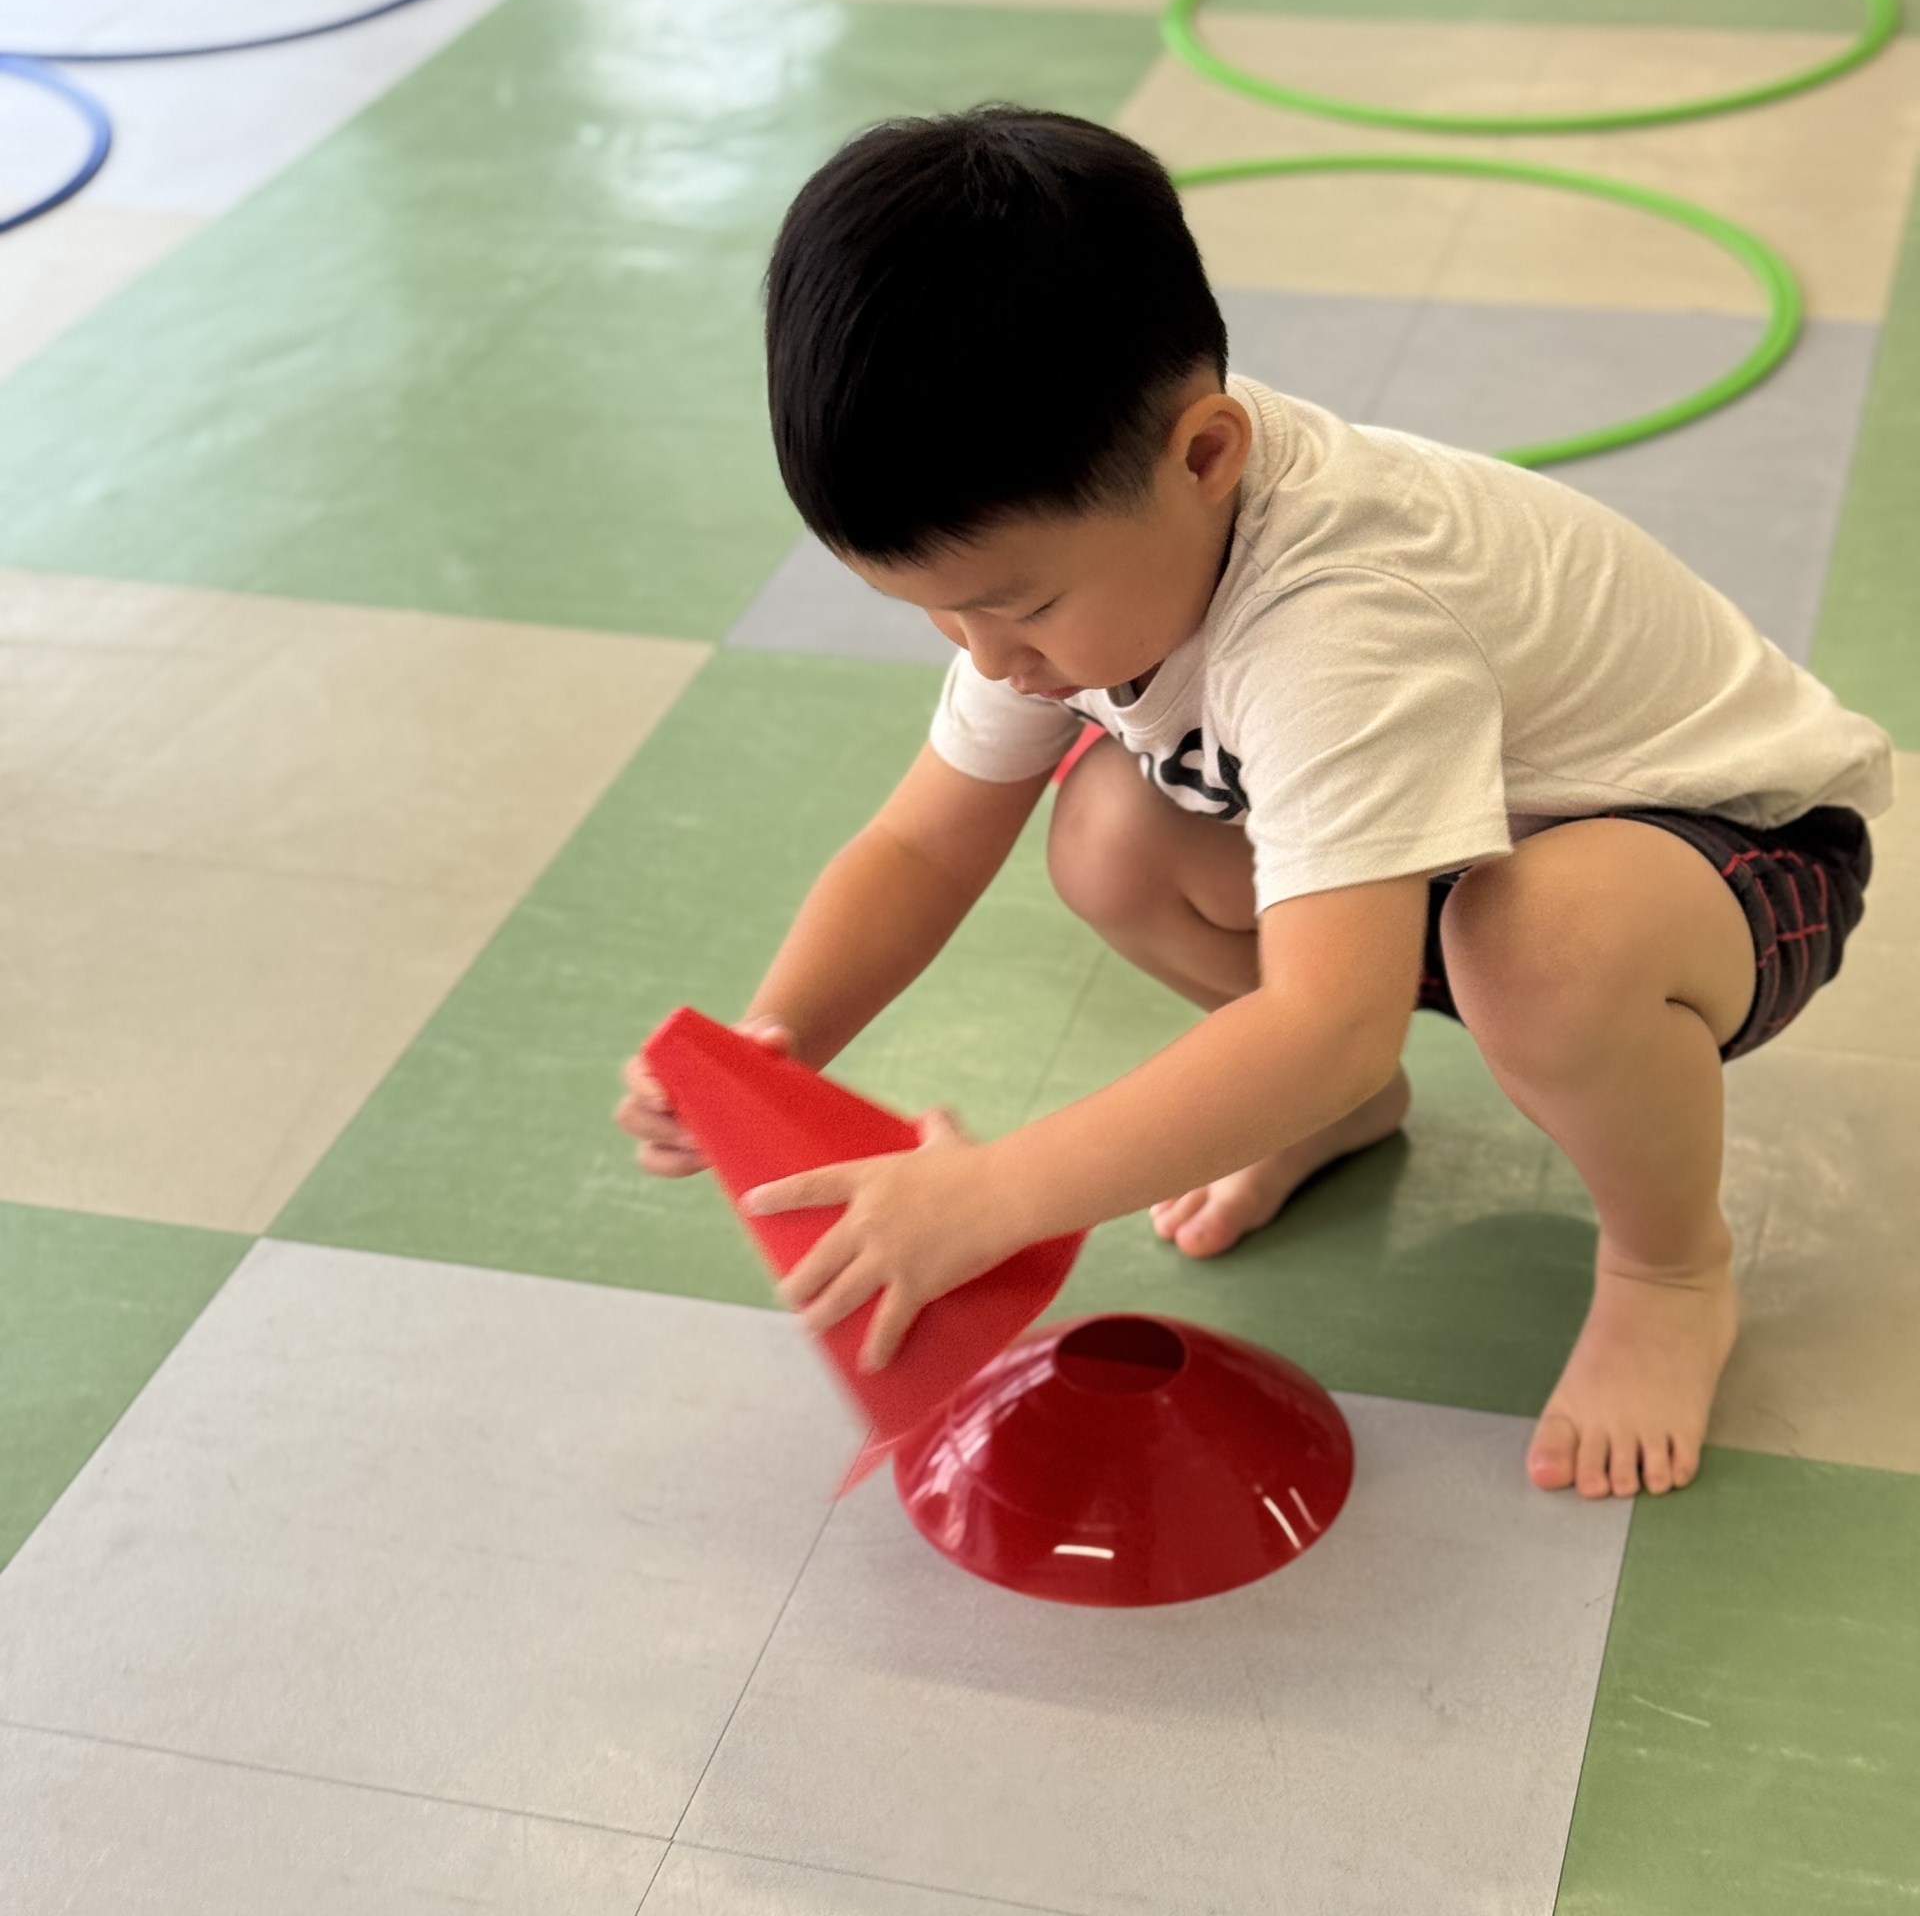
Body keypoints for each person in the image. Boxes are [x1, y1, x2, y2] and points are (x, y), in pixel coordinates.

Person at [618, 107, 1890, 1500]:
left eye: (1018, 609)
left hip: (1738, 860)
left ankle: (1670, 1267)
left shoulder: (1342, 621)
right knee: (1109, 838)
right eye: (933, 614)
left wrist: (999, 1195)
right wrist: (773, 1055)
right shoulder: (1098, 522)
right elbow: (923, 843)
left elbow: (1329, 1023)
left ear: (1207, 455)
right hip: (1452, 857)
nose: (988, 659)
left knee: (1538, 947)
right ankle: (1332, 1118)